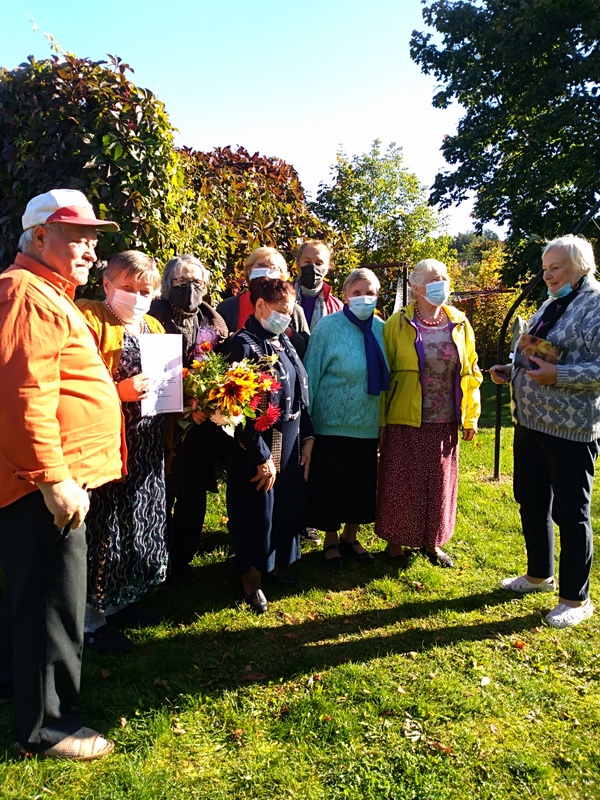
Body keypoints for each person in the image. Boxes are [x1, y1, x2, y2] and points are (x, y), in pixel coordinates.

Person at [0, 189, 125, 760]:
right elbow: (22, 394)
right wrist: (53, 479)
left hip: (44, 480)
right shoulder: (27, 293)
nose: (91, 252)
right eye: (79, 238)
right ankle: (49, 729)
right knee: (53, 603)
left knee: (34, 598)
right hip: (43, 484)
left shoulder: (45, 291)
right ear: (40, 236)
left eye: (93, 240)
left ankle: (18, 690)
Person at [490, 235, 600, 628]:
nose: (548, 275)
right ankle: (539, 574)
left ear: (579, 267)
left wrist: (560, 376)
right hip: (531, 422)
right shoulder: (553, 302)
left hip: (570, 429)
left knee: (571, 512)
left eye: (556, 268)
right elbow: (536, 350)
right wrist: (512, 369)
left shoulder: (595, 304)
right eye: (545, 268)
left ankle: (575, 598)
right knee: (532, 499)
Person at [77, 251, 169, 653]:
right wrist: (118, 392)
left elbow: (164, 381)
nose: (137, 296)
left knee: (135, 523)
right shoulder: (90, 317)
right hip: (106, 445)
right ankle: (89, 620)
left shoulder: (153, 325)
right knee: (103, 529)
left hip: (146, 445)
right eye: (128, 287)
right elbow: (77, 383)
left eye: (145, 290)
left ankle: (119, 601)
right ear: (107, 284)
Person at [376, 259, 482, 568]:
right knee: (402, 482)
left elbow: (471, 371)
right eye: (436, 279)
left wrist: (471, 416)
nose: (443, 284)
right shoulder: (397, 323)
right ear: (416, 287)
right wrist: (381, 421)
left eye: (445, 277)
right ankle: (395, 542)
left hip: (444, 418)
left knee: (439, 484)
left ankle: (432, 542)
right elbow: (385, 375)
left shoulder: (459, 322)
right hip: (405, 417)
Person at [220, 277, 313, 613]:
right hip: (258, 442)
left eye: (290, 311)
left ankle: (274, 565)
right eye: (281, 311)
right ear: (260, 306)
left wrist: (308, 437)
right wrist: (261, 456)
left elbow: (300, 392)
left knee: (284, 506)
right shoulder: (241, 346)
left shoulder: (283, 341)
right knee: (258, 508)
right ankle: (251, 577)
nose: (286, 317)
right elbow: (234, 409)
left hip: (289, 438)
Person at [149, 255, 230, 581]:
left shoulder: (214, 324)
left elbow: (222, 371)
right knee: (161, 492)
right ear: (169, 284)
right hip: (160, 425)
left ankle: (181, 561)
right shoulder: (152, 318)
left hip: (199, 426)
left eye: (196, 281)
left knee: (193, 494)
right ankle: (154, 561)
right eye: (182, 281)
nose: (190, 288)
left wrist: (207, 403)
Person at [304, 268, 389, 567]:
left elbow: (388, 378)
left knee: (361, 485)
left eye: (370, 293)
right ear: (345, 295)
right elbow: (311, 373)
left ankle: (350, 538)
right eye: (357, 293)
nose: (364, 298)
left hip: (367, 423)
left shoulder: (382, 329)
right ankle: (330, 540)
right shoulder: (328, 328)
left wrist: (382, 422)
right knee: (332, 483)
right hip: (331, 423)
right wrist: (307, 423)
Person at [217, 246, 310, 357]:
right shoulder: (228, 307)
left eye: (273, 268)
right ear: (249, 270)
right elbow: (217, 348)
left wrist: (286, 329)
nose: (266, 272)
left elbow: (306, 352)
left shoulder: (294, 311)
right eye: (260, 266)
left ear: (282, 276)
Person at [293, 239, 343, 332]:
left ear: (327, 268)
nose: (313, 267)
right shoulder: (280, 297)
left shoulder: (337, 307)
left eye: (319, 263)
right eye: (307, 262)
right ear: (298, 264)